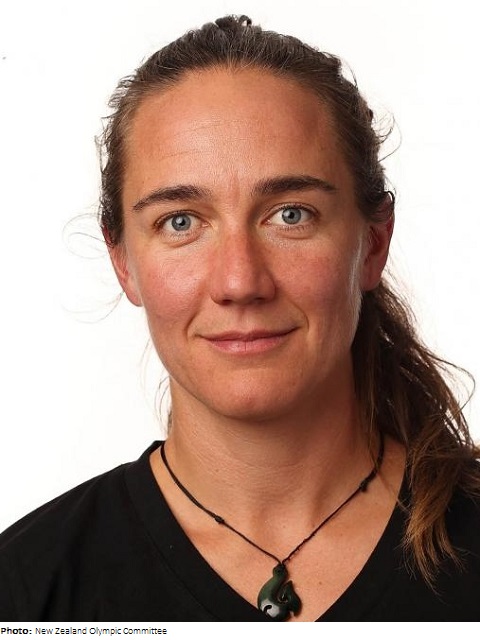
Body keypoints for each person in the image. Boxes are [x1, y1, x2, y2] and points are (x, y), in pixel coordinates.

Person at [1, 15, 479, 623]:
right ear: (123, 262)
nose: (240, 282)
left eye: (291, 214)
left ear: (373, 244)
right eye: (180, 222)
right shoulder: (26, 594)